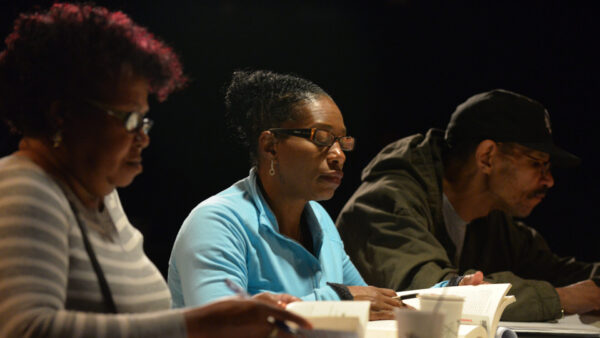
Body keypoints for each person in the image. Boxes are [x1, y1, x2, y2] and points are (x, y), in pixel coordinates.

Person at [0, 4, 310, 338]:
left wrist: (234, 314)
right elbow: (26, 329)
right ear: (62, 115)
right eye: (129, 119)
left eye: (144, 120)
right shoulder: (24, 187)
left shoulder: (99, 194)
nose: (144, 138)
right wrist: (201, 324)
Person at [168, 70, 414, 320]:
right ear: (270, 146)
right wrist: (338, 300)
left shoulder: (318, 218)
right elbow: (220, 327)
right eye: (322, 138)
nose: (339, 155)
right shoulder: (215, 222)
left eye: (342, 141)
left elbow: (373, 303)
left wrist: (449, 289)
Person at [336, 89, 600, 322]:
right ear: (487, 156)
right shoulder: (386, 203)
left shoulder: (491, 219)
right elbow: (432, 293)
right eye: (537, 164)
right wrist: (569, 298)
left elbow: (557, 270)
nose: (549, 180)